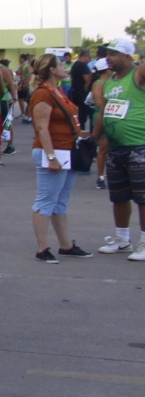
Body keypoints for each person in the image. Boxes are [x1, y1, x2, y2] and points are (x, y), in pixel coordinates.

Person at [28, 53, 90, 262]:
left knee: (60, 201)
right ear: (52, 70)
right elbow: (41, 128)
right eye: (62, 64)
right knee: (45, 201)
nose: (66, 67)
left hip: (66, 151)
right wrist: (51, 156)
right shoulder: (43, 94)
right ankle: (42, 248)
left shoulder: (59, 91)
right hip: (54, 152)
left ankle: (66, 245)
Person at [93, 38, 145, 259]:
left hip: (139, 146)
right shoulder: (109, 82)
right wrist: (93, 137)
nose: (108, 57)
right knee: (118, 197)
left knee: (143, 198)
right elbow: (104, 112)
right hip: (115, 148)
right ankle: (123, 240)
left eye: (113, 54)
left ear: (127, 57)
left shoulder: (137, 76)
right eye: (107, 53)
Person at [87, 57, 113, 189]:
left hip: (114, 117)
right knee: (103, 148)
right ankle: (100, 177)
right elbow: (99, 103)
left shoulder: (113, 81)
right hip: (102, 117)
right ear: (106, 69)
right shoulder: (98, 83)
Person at [69, 49, 92, 130]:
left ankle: (78, 130)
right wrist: (87, 87)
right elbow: (87, 79)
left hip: (75, 92)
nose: (90, 60)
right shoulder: (83, 66)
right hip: (82, 94)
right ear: (85, 56)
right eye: (90, 57)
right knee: (84, 115)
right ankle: (82, 133)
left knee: (78, 115)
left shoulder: (75, 65)